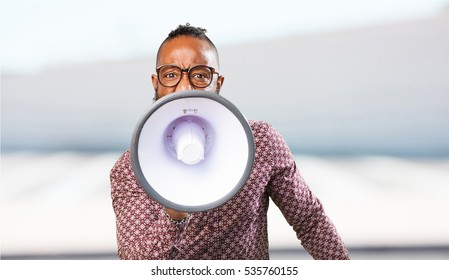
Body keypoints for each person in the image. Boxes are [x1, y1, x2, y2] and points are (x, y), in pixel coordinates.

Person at [110, 23, 350, 260]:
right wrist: (175, 206)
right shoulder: (129, 170)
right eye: (171, 75)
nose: (185, 87)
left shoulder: (261, 143)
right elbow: (136, 263)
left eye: (201, 75)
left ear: (219, 83)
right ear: (156, 82)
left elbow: (310, 221)